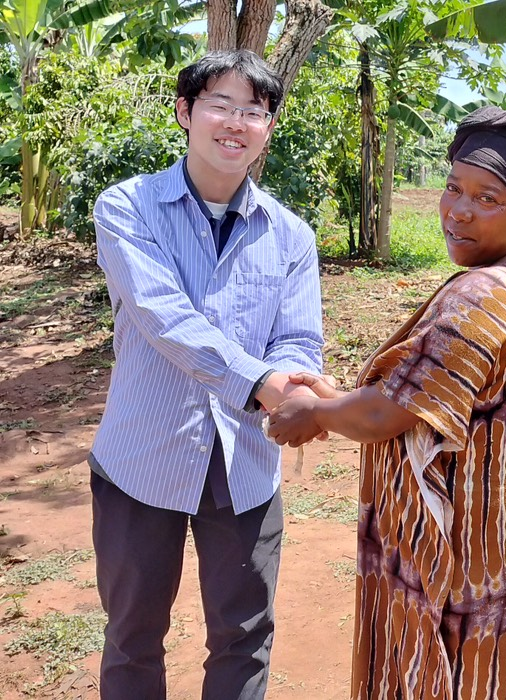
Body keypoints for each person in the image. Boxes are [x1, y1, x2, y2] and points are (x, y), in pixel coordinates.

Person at [266, 106, 506, 699]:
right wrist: (337, 399)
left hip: (475, 577)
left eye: (488, 198)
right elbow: (422, 402)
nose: (458, 210)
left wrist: (315, 412)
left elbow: (384, 416)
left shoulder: (481, 298)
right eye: (453, 188)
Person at [89, 50, 324, 699]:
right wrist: (264, 385)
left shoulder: (291, 236)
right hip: (143, 457)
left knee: (244, 635)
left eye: (253, 110)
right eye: (219, 104)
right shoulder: (127, 208)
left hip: (245, 465)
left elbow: (300, 339)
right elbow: (164, 316)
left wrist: (299, 385)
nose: (235, 122)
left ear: (269, 127)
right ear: (185, 111)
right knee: (133, 636)